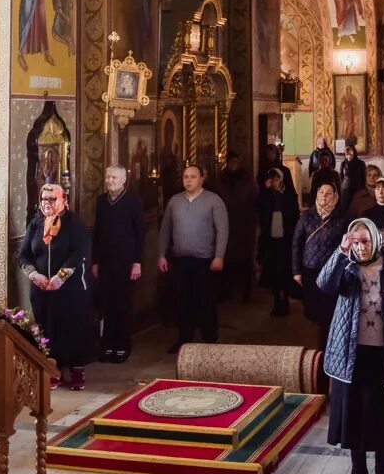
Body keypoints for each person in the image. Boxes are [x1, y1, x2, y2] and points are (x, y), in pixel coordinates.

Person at [317, 218, 384, 474]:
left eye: (365, 242)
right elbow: (324, 284)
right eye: (356, 242)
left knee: (382, 413)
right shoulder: (346, 266)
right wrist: (340, 250)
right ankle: (358, 472)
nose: (361, 248)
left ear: (377, 240)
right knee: (354, 414)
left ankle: (383, 473)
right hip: (351, 352)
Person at [18, 184, 93, 390]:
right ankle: (53, 369)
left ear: (63, 200)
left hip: (70, 289)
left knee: (72, 327)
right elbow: (23, 254)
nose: (47, 203)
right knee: (47, 329)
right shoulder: (36, 223)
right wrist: (34, 275)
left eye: (52, 199)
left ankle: (77, 370)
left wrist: (61, 277)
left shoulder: (73, 223)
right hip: (42, 289)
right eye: (44, 199)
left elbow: (79, 252)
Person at [157, 165, 229, 351]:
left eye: (192, 177)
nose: (188, 180)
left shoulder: (213, 200)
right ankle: (184, 339)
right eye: (185, 177)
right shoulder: (175, 201)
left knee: (205, 300)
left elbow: (222, 230)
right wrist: (161, 254)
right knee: (182, 300)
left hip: (205, 260)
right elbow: (165, 230)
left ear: (201, 179)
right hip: (181, 260)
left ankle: (209, 338)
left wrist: (219, 256)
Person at [92, 165, 145, 363]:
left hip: (126, 262)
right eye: (107, 177)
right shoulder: (102, 202)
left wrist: (137, 262)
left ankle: (123, 346)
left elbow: (139, 234)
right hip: (105, 263)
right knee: (107, 304)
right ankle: (107, 346)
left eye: (114, 177)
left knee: (123, 304)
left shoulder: (133, 202)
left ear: (123, 180)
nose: (110, 180)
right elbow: (97, 233)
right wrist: (95, 261)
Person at [292, 178, 346, 348]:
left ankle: (327, 347)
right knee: (313, 311)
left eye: (329, 193)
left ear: (335, 196)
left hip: (331, 272)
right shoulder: (306, 217)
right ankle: (315, 348)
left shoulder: (341, 218)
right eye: (321, 192)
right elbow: (296, 244)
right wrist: (296, 271)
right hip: (310, 269)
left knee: (329, 311)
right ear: (316, 194)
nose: (324, 196)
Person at [215, 153, 260, 303]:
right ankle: (225, 290)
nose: (233, 165)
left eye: (236, 162)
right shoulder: (222, 179)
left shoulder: (247, 179)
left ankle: (246, 291)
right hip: (227, 222)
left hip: (243, 223)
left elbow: (254, 198)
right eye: (231, 162)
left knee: (245, 258)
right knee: (226, 257)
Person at [258, 168, 299, 317]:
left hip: (286, 239)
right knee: (273, 272)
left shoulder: (289, 195)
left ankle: (286, 301)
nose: (273, 181)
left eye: (276, 178)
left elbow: (294, 214)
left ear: (281, 179)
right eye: (271, 178)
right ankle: (276, 301)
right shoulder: (267, 195)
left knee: (285, 271)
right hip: (271, 240)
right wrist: (267, 192)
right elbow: (261, 209)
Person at [339, 143, 367, 212]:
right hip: (346, 189)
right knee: (345, 208)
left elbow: (363, 176)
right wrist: (342, 187)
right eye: (346, 155)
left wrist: (364, 189)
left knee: (357, 207)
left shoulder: (361, 163)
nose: (348, 157)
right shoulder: (343, 163)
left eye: (350, 154)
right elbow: (341, 177)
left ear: (354, 153)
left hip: (358, 188)